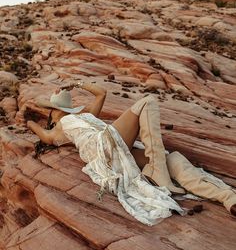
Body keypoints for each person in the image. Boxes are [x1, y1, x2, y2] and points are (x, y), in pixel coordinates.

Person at [27, 80, 236, 225]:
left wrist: (75, 84)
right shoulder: (55, 131)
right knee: (148, 101)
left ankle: (227, 198)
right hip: (104, 149)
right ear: (51, 115)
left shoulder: (87, 115)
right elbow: (35, 128)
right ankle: (157, 172)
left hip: (118, 149)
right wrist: (31, 121)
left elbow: (101, 92)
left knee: (172, 158)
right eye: (54, 110)